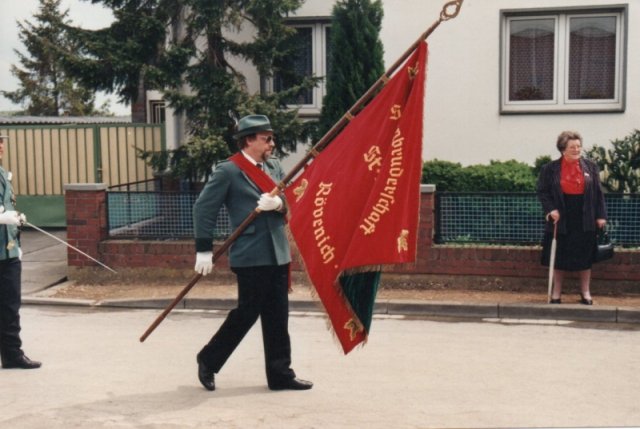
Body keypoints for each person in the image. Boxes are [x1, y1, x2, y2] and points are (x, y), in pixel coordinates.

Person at [192, 115, 312, 391]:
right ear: (249, 140)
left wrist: (278, 205)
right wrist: (203, 250)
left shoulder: (273, 167)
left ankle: (280, 374)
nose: (272, 143)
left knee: (278, 316)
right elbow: (203, 209)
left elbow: (290, 201)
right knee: (247, 313)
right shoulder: (228, 171)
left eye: (271, 137)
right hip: (251, 253)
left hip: (277, 253)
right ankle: (208, 359)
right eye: (266, 138)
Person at [537, 130, 607, 305]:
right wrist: (551, 209)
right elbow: (543, 192)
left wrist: (601, 215)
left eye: (578, 146)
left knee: (585, 257)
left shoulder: (591, 166)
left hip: (585, 216)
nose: (576, 149)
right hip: (561, 217)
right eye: (572, 147)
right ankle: (556, 294)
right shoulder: (549, 168)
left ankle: (585, 293)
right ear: (563, 149)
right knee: (560, 256)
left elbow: (598, 193)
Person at [0, 134, 41, 369]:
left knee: (10, 307)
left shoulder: (4, 174)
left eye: (1, 141)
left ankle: (12, 354)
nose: (0, 145)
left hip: (8, 251)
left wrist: (15, 219)